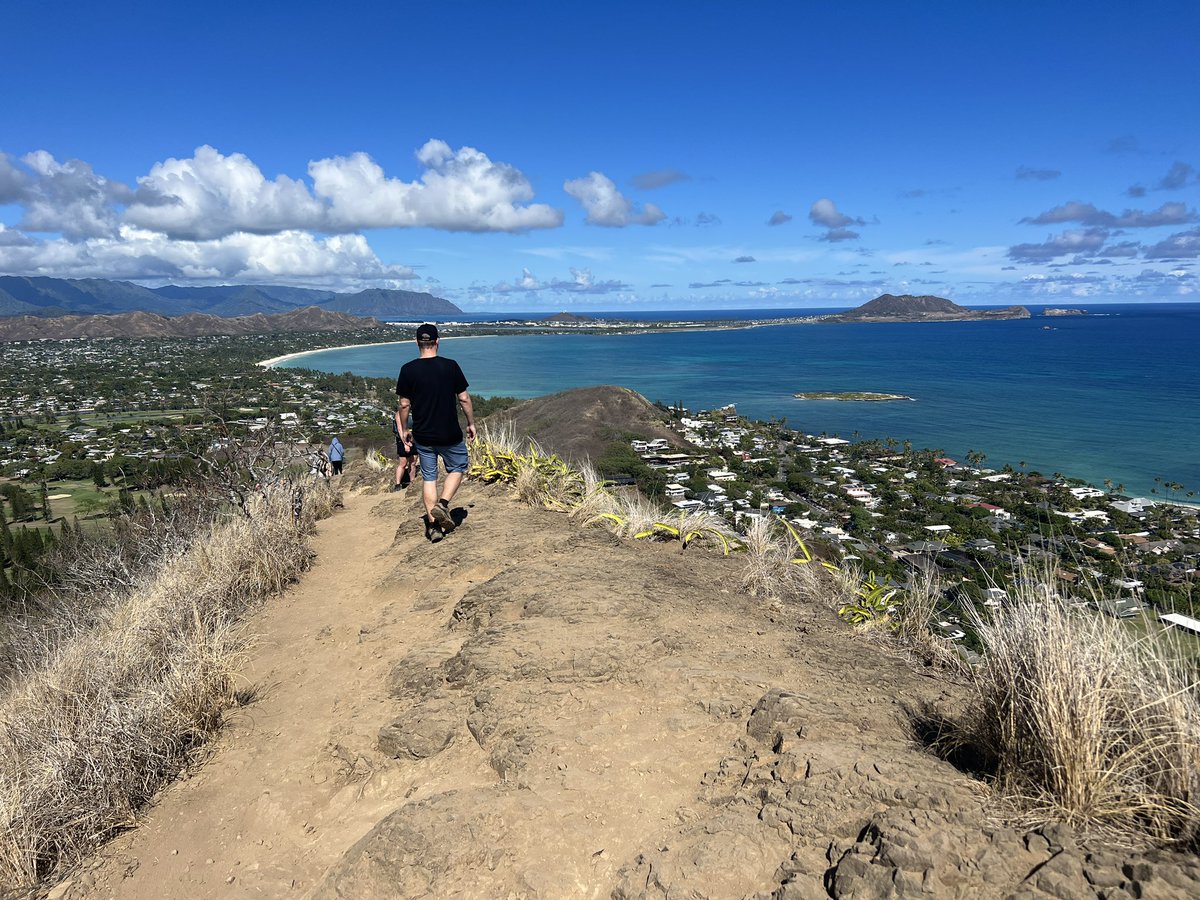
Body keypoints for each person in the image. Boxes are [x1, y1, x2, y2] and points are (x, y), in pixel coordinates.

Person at [395, 323, 476, 542]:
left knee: (429, 477)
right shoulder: (450, 366)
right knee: (458, 466)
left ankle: (434, 527)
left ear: (417, 343)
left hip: (423, 434)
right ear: (438, 341)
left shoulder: (408, 369)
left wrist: (404, 430)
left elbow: (404, 405)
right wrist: (471, 422)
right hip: (449, 432)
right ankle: (444, 504)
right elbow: (464, 398)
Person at [392, 409, 419, 491]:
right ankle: (398, 484)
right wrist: (405, 443)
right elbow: (400, 429)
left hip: (414, 439)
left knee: (413, 462)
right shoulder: (399, 413)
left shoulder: (415, 411)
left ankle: (412, 482)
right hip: (402, 440)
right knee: (403, 463)